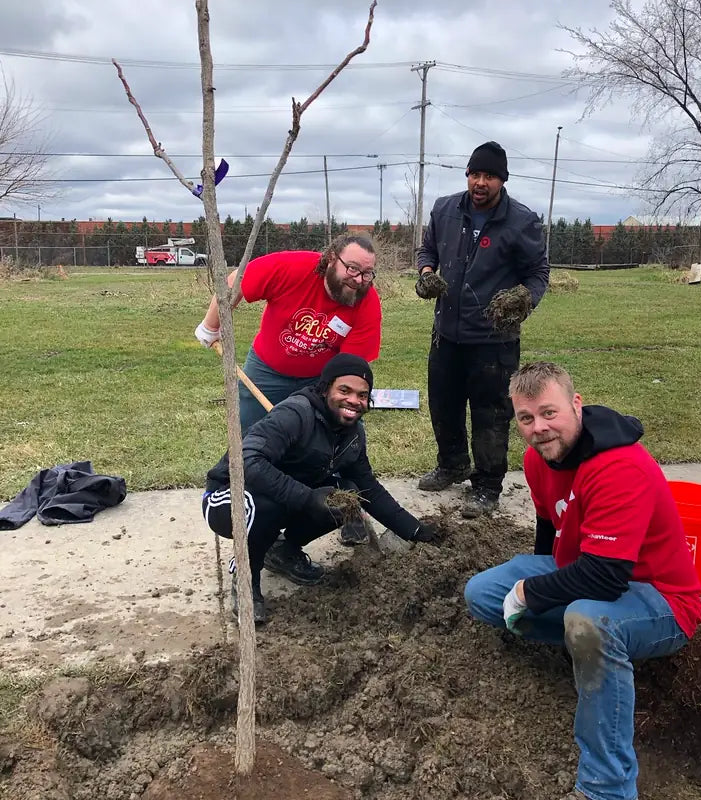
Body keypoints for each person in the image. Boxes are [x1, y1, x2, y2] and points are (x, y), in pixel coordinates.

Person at [464, 361, 701, 800]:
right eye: (526, 419)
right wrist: (529, 585)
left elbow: (607, 577)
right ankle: (588, 657)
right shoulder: (540, 457)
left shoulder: (619, 466)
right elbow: (548, 527)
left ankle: (610, 795)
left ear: (576, 404)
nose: (539, 428)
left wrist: (532, 593)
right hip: (589, 573)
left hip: (660, 600)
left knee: (588, 620)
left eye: (549, 413)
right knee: (483, 593)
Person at [202, 354, 441, 625]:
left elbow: (369, 490)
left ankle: (282, 552)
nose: (354, 400)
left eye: (362, 395)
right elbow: (245, 462)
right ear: (326, 388)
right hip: (228, 499)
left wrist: (415, 530)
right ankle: (246, 580)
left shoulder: (351, 436)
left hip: (283, 499)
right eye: (345, 390)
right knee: (266, 504)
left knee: (348, 495)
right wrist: (307, 498)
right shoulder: (295, 414)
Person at [195, 234, 382, 545]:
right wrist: (211, 325)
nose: (358, 280)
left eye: (366, 273)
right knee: (254, 438)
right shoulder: (291, 268)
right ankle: (251, 509)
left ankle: (350, 510)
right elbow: (235, 282)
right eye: (351, 269)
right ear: (331, 259)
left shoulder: (366, 302)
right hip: (267, 369)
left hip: (321, 380)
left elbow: (350, 369)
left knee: (342, 439)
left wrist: (331, 405)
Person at [416, 140, 549, 515]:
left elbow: (538, 273)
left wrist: (524, 299)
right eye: (475, 173)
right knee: (444, 404)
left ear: (502, 181)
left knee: (491, 413)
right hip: (447, 334)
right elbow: (427, 250)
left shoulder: (522, 221)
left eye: (489, 176)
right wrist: (427, 272)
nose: (480, 182)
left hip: (494, 340)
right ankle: (452, 464)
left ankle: (488, 484)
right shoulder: (445, 209)